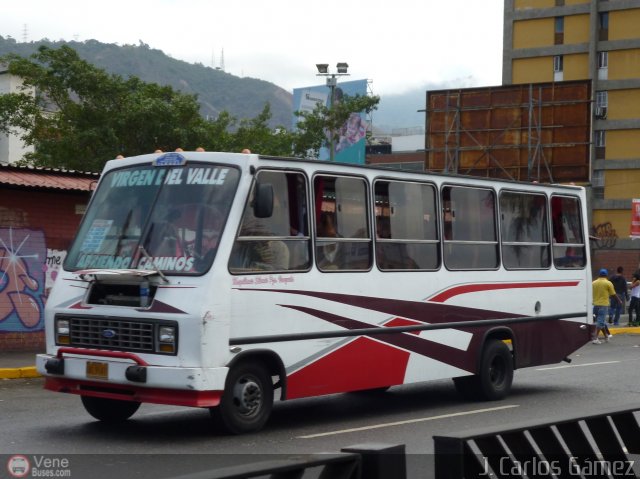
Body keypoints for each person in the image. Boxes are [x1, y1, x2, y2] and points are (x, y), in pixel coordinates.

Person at [592, 268, 621, 344]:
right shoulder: (608, 283)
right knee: (600, 322)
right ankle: (595, 338)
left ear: (599, 275)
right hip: (603, 305)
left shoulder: (594, 283)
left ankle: (606, 336)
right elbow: (613, 294)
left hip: (595, 305)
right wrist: (619, 301)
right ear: (606, 275)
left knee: (602, 322)